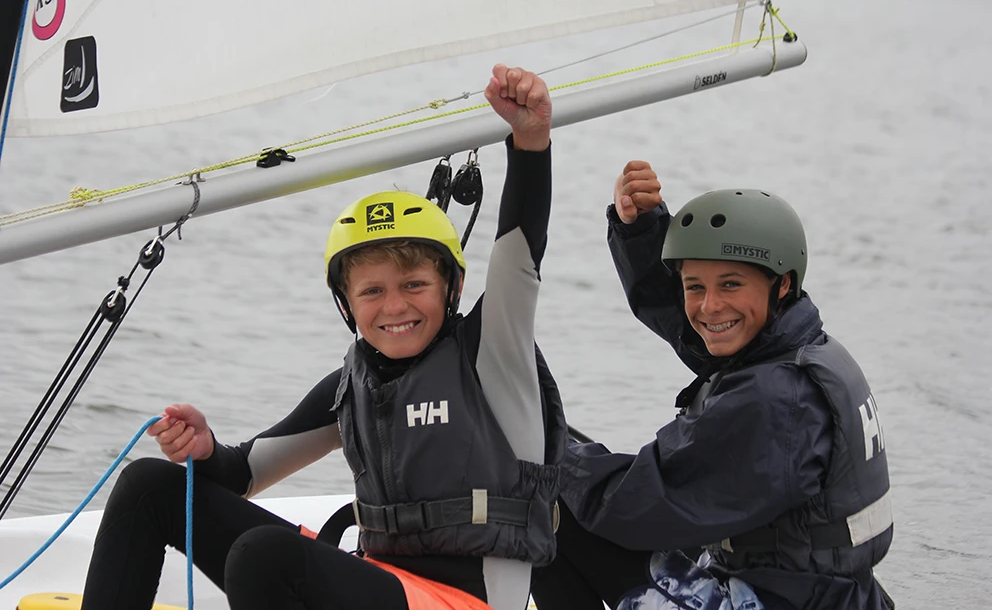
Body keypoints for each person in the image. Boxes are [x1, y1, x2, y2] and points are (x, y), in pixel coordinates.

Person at [78, 63, 566, 610]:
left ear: (452, 287)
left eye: (414, 284)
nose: (396, 306)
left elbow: (520, 248)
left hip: (465, 603)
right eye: (372, 292)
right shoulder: (350, 389)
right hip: (380, 585)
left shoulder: (492, 355)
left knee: (263, 556)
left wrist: (530, 138)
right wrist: (204, 448)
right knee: (150, 486)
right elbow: (242, 473)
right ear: (346, 303)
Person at [531, 161, 893, 610]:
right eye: (694, 285)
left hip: (778, 599)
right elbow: (692, 322)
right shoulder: (798, 349)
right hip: (836, 595)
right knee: (566, 466)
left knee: (544, 499)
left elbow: (632, 507)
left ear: (780, 285)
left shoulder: (777, 399)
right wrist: (642, 229)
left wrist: (535, 454)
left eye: (731, 284)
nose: (709, 305)